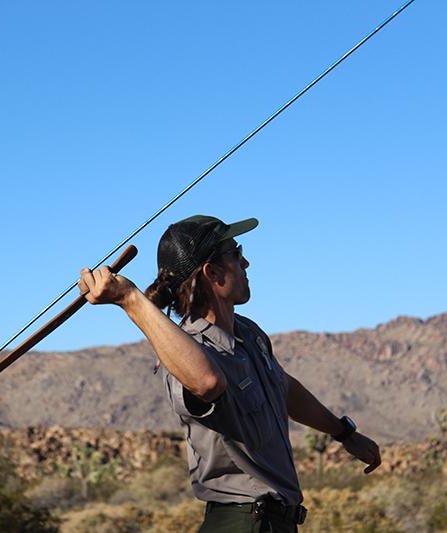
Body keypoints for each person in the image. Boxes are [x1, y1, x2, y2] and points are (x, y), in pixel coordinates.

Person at [79, 215, 381, 532]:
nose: (246, 262)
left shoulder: (249, 334)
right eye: (236, 253)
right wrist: (130, 299)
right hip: (240, 522)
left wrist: (343, 433)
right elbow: (207, 382)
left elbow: (285, 388)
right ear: (213, 272)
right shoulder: (187, 352)